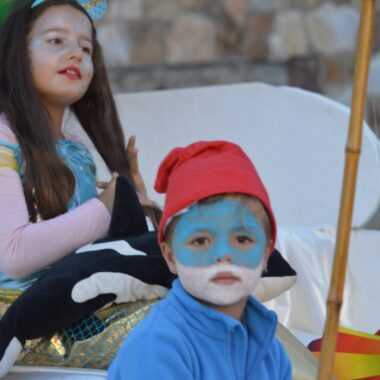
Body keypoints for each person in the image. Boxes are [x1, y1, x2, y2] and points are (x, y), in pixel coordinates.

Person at [0, 0, 156, 291]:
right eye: (56, 40)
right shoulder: (4, 139)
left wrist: (133, 206)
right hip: (17, 325)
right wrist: (106, 204)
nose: (75, 54)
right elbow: (14, 255)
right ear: (18, 54)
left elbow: (89, 250)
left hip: (74, 313)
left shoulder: (79, 153)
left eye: (86, 48)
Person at [109, 140, 292, 379]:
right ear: (170, 256)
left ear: (267, 253)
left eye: (242, 239)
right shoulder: (156, 346)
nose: (223, 255)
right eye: (201, 241)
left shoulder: (271, 351)